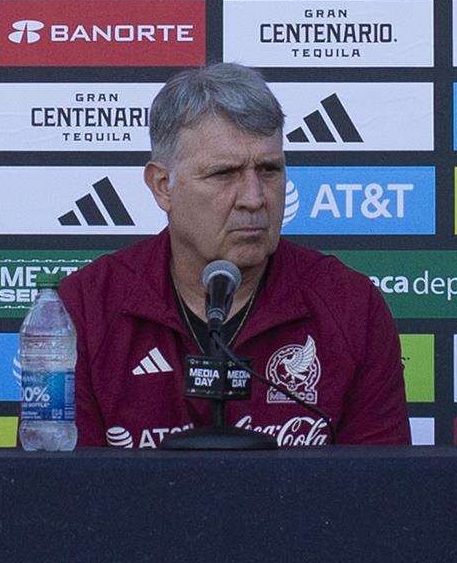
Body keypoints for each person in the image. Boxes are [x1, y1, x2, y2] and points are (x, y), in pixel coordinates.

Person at [59, 62, 410, 447]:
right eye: (224, 174)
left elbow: (381, 492)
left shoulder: (350, 305)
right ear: (163, 186)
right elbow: (57, 491)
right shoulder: (86, 307)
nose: (254, 198)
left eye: (269, 169)